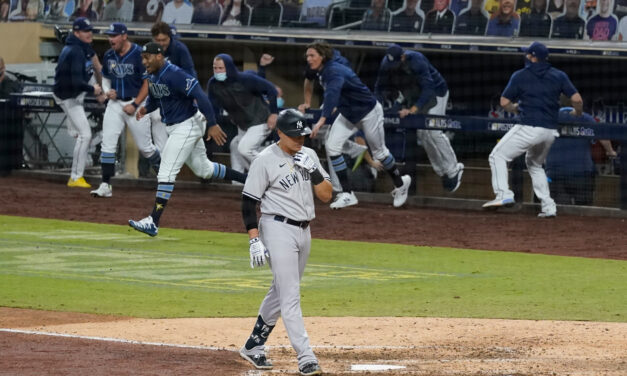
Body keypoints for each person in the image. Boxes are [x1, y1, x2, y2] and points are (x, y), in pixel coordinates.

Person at [238, 108, 331, 376]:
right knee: (290, 295)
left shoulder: (309, 156)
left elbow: (326, 195)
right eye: (294, 136)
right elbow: (248, 202)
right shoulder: (264, 160)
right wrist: (254, 239)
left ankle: (253, 346)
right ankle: (305, 356)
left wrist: (313, 172)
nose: (299, 140)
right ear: (280, 133)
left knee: (280, 291)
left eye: (302, 135)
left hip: (304, 231)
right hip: (276, 229)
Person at [128, 42, 247, 236]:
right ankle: (250, 180)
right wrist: (145, 108)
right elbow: (156, 98)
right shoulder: (154, 75)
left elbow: (201, 96)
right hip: (176, 126)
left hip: (187, 125)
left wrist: (213, 123)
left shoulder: (175, 73)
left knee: (166, 172)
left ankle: (153, 221)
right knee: (204, 170)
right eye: (142, 57)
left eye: (147, 57)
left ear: (159, 56)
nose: (144, 61)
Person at [483, 41, 583, 218]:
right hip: (549, 132)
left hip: (529, 126)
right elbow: (577, 99)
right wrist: (577, 112)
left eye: (528, 54)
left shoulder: (521, 75)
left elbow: (504, 102)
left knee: (497, 156)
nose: (526, 56)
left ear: (533, 57)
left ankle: (503, 194)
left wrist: (515, 109)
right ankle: (548, 206)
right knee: (535, 165)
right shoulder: (558, 75)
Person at [306, 42, 412, 209]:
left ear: (322, 56)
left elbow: (332, 94)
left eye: (312, 55)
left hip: (369, 112)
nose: (309, 59)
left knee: (380, 153)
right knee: (332, 146)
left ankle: (400, 184)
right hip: (349, 113)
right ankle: (347, 193)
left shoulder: (333, 71)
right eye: (307, 56)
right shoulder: (324, 69)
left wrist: (321, 120)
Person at [375, 44, 464, 193]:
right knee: (423, 134)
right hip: (415, 93)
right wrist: (376, 106)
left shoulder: (417, 59)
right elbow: (378, 87)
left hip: (436, 93)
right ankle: (442, 171)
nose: (393, 66)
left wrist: (413, 109)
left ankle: (454, 169)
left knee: (434, 132)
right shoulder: (386, 63)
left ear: (402, 57)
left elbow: (428, 89)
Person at [90, 23, 162, 198]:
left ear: (124, 36)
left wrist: (136, 104)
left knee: (146, 148)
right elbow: (106, 78)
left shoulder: (139, 54)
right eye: (109, 35)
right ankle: (106, 184)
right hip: (115, 105)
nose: (111, 39)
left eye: (114, 35)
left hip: (137, 103)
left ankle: (166, 177)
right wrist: (107, 92)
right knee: (108, 143)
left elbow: (147, 82)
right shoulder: (108, 55)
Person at [207, 53, 278, 177]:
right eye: (215, 68)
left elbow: (271, 89)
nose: (218, 71)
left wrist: (274, 113)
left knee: (244, 149)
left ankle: (272, 174)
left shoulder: (245, 79)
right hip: (242, 125)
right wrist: (212, 124)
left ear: (228, 67)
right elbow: (212, 107)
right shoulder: (213, 84)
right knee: (235, 146)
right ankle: (240, 181)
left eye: (221, 68)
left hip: (260, 120)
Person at [53, 17, 103, 188]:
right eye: (85, 31)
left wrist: (99, 89)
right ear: (76, 33)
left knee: (79, 134)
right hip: (69, 96)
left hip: (75, 94)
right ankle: (75, 177)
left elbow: (95, 65)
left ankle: (76, 175)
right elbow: (76, 82)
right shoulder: (74, 50)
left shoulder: (82, 46)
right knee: (85, 135)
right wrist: (94, 90)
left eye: (90, 30)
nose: (89, 34)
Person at [546, 105, 616, 206]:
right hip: (581, 174)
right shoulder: (585, 117)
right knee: (584, 212)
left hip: (554, 174)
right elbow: (602, 134)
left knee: (559, 211)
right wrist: (610, 151)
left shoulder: (549, 117)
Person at [148, 21, 197, 150]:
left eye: (164, 40)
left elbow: (190, 72)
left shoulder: (179, 49)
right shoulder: (149, 50)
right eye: (158, 40)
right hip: (159, 95)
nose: (161, 43)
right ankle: (163, 165)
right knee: (157, 123)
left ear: (170, 37)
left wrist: (193, 93)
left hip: (177, 98)